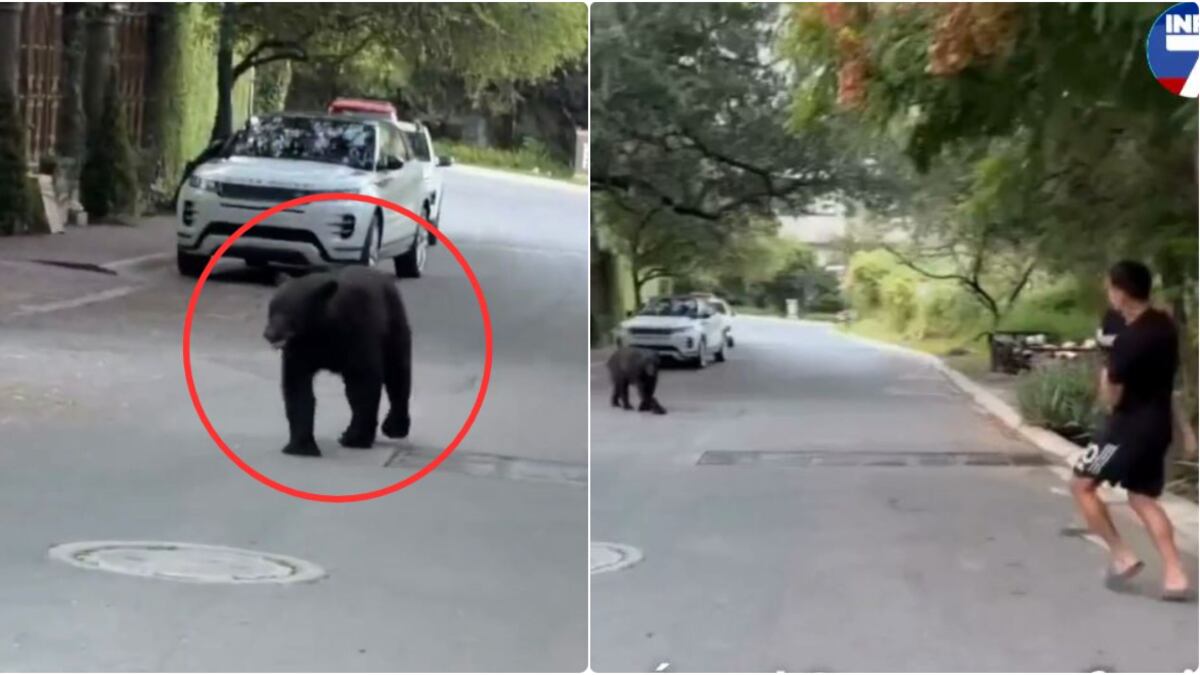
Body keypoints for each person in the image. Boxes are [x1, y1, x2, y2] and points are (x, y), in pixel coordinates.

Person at [1069, 260, 1190, 601]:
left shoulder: (1128, 340)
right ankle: (1175, 574)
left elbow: (1111, 399)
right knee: (1141, 497)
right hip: (1157, 426)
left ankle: (1122, 556)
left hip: (1126, 429)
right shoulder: (1164, 325)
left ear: (1121, 292)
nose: (1109, 295)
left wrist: (1107, 372)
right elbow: (1170, 384)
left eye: (1110, 288)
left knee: (1081, 485)